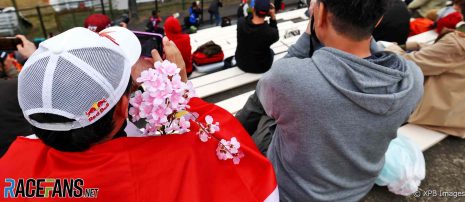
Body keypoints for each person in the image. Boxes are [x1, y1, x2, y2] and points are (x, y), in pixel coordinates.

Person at [0, 27, 279, 201]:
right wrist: (182, 98)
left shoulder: (12, 171)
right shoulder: (183, 156)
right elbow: (254, 181)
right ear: (123, 108)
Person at [239, 0, 424, 201]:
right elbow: (373, 56)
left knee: (261, 114)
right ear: (378, 19)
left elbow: (265, 92)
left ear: (321, 13)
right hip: (356, 189)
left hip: (292, 192)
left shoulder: (290, 78)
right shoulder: (411, 80)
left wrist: (308, 37)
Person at [385, 0, 465, 138]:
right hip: (462, 112)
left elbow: (412, 64)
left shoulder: (456, 43)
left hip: (441, 116)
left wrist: (395, 49)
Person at [0, 35, 36, 157]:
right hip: (24, 157)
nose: (11, 60)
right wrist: (34, 56)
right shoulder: (15, 87)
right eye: (6, 58)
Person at [235, 0, 279, 73]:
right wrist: (272, 16)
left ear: (253, 9)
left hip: (241, 63)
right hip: (261, 68)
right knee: (271, 51)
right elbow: (275, 32)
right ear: (268, 12)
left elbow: (247, 18)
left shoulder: (240, 23)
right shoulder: (271, 32)